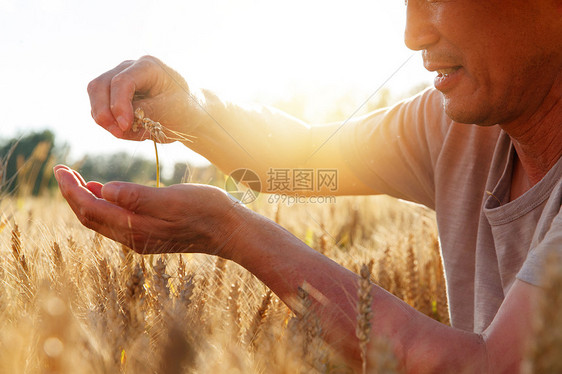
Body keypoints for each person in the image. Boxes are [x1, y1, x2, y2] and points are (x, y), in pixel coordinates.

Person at [54, 1, 562, 372]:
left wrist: (230, 230)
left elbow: (492, 366)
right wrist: (190, 110)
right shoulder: (458, 127)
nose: (412, 34)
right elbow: (302, 160)